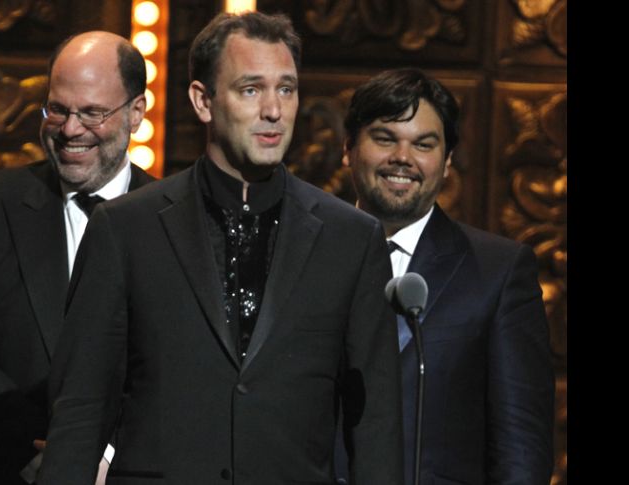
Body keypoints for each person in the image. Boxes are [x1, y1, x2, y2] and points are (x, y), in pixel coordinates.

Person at [38, 12, 403, 485]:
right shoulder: (127, 229)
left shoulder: (350, 238)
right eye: (251, 89)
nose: (273, 110)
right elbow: (81, 412)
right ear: (203, 101)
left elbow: (375, 424)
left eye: (286, 89)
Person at [0, 31, 154, 485]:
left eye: (91, 113)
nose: (70, 129)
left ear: (136, 113)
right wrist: (41, 448)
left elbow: (177, 368)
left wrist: (104, 454)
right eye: (58, 110)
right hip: (0, 467)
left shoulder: (171, 218)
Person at [338, 67, 554, 484]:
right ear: (348, 147)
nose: (403, 157)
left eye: (424, 144)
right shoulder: (306, 256)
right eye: (385, 138)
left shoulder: (499, 271)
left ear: (448, 160)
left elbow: (521, 452)